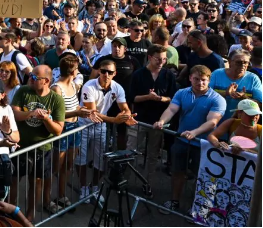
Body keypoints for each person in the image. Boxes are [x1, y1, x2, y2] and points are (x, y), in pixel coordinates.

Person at [154, 65, 226, 214]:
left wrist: (195, 132)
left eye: (204, 80)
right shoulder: (181, 93)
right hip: (181, 141)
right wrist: (161, 121)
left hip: (204, 145)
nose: (200, 83)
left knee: (202, 177)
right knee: (177, 172)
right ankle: (174, 201)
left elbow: (212, 121)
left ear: (209, 80)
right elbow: (172, 109)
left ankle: (198, 206)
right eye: (197, 79)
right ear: (190, 78)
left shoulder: (218, 99)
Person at [75, 60, 136, 203]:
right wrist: (114, 120)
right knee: (81, 159)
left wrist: (127, 116)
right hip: (83, 125)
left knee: (100, 160)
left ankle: (95, 187)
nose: (106, 75)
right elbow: (92, 112)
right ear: (98, 72)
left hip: (101, 126)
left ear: (114, 74)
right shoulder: (88, 86)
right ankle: (84, 188)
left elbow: (124, 107)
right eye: (103, 71)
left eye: (110, 72)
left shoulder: (118, 87)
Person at [10, 65, 64, 218]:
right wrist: (31, 113)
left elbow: (58, 130)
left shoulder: (56, 100)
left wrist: (46, 119)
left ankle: (29, 216)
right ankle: (8, 213)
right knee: (13, 181)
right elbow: (14, 113)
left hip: (42, 149)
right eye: (31, 76)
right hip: (20, 147)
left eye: (34, 77)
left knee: (36, 183)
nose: (30, 79)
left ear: (46, 81)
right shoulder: (23, 91)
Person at [128, 44, 177, 194]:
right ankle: (127, 181)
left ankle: (147, 183)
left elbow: (173, 98)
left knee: (153, 155)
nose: (161, 62)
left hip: (158, 122)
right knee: (130, 151)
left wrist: (161, 99)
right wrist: (148, 97)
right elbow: (132, 98)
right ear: (150, 58)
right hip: (139, 120)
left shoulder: (169, 75)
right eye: (158, 59)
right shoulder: (138, 74)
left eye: (164, 59)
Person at [50, 55, 89, 209]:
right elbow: (56, 115)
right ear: (73, 71)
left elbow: (75, 107)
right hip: (63, 129)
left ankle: (61, 195)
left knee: (67, 166)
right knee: (55, 168)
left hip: (75, 128)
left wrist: (83, 110)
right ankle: (48, 198)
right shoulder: (56, 88)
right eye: (77, 69)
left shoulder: (73, 85)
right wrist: (77, 113)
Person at [209, 49, 262, 121]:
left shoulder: (253, 79)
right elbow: (205, 96)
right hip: (215, 120)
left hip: (240, 124)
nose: (243, 65)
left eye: (246, 63)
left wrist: (244, 97)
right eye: (239, 62)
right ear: (230, 62)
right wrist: (225, 93)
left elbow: (259, 104)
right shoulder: (217, 74)